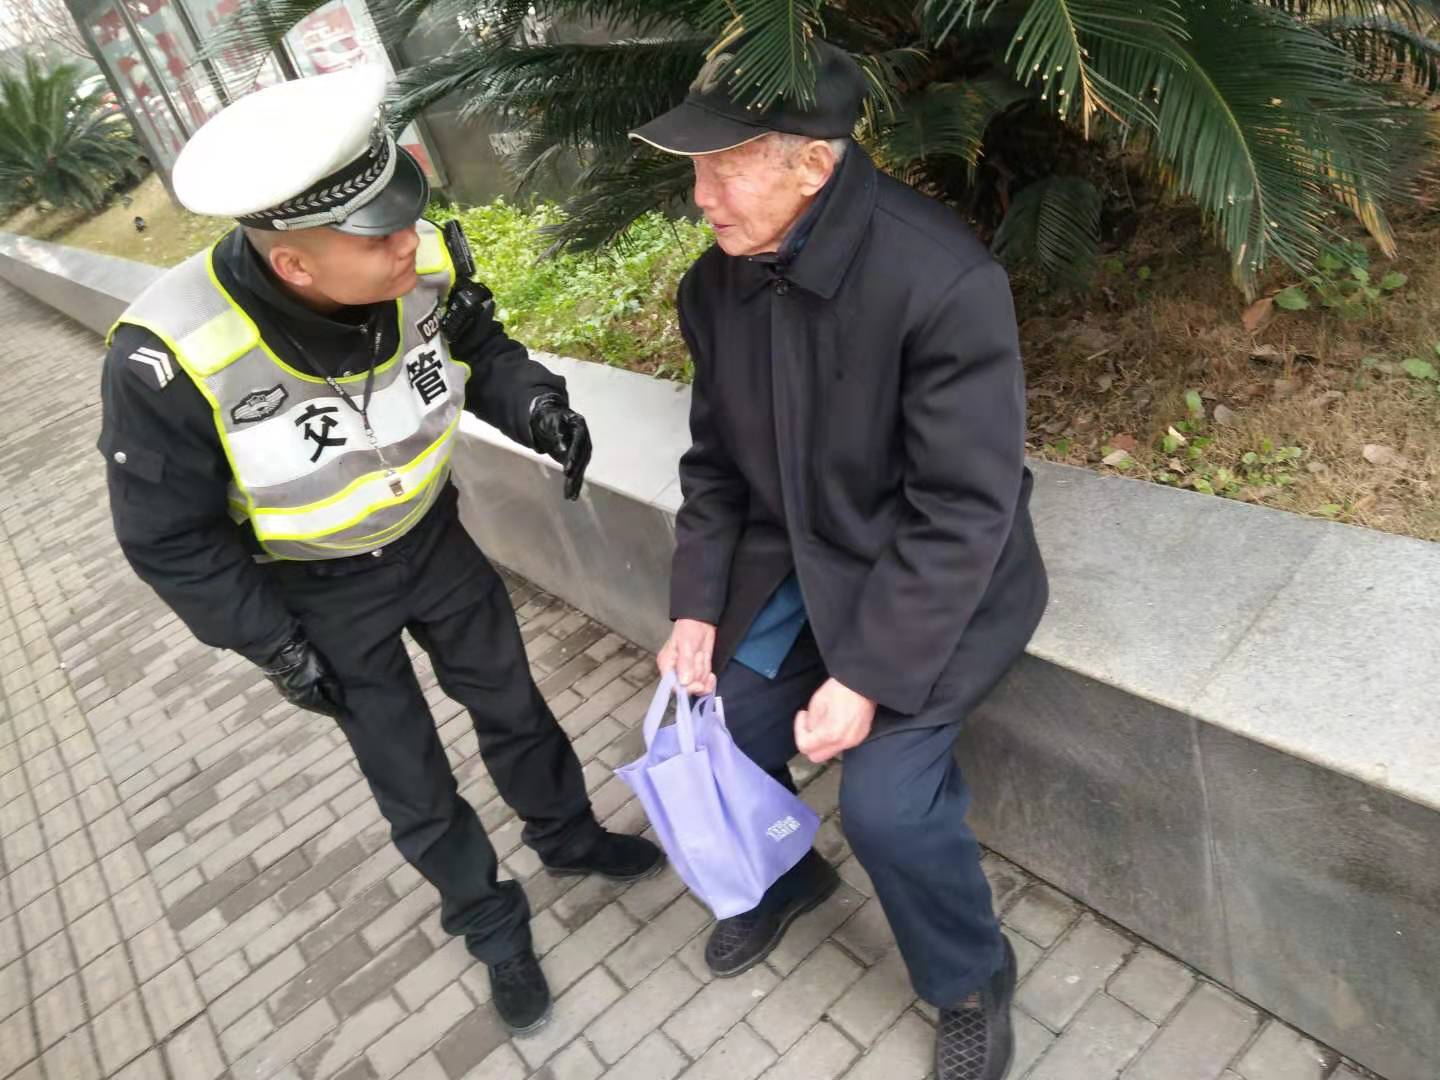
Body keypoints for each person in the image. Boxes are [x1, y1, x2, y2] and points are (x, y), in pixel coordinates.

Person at [98, 66, 661, 1036]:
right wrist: (272, 643)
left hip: (434, 540)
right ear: (294, 265)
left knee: (514, 708)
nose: (412, 243)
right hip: (315, 592)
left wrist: (536, 406)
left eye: (406, 217)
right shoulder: (169, 356)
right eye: (380, 237)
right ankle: (489, 921)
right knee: (409, 774)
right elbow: (167, 536)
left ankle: (568, 838)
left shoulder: (417, 261)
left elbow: (481, 350)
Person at [633, 41, 1049, 1080]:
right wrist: (696, 606)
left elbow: (965, 508)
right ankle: (787, 878)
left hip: (936, 584)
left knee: (887, 807)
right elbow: (715, 465)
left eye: (723, 168)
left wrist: (862, 675)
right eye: (696, 169)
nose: (700, 198)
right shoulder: (715, 288)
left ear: (813, 164)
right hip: (798, 566)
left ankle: (971, 978)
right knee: (719, 724)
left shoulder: (942, 279)